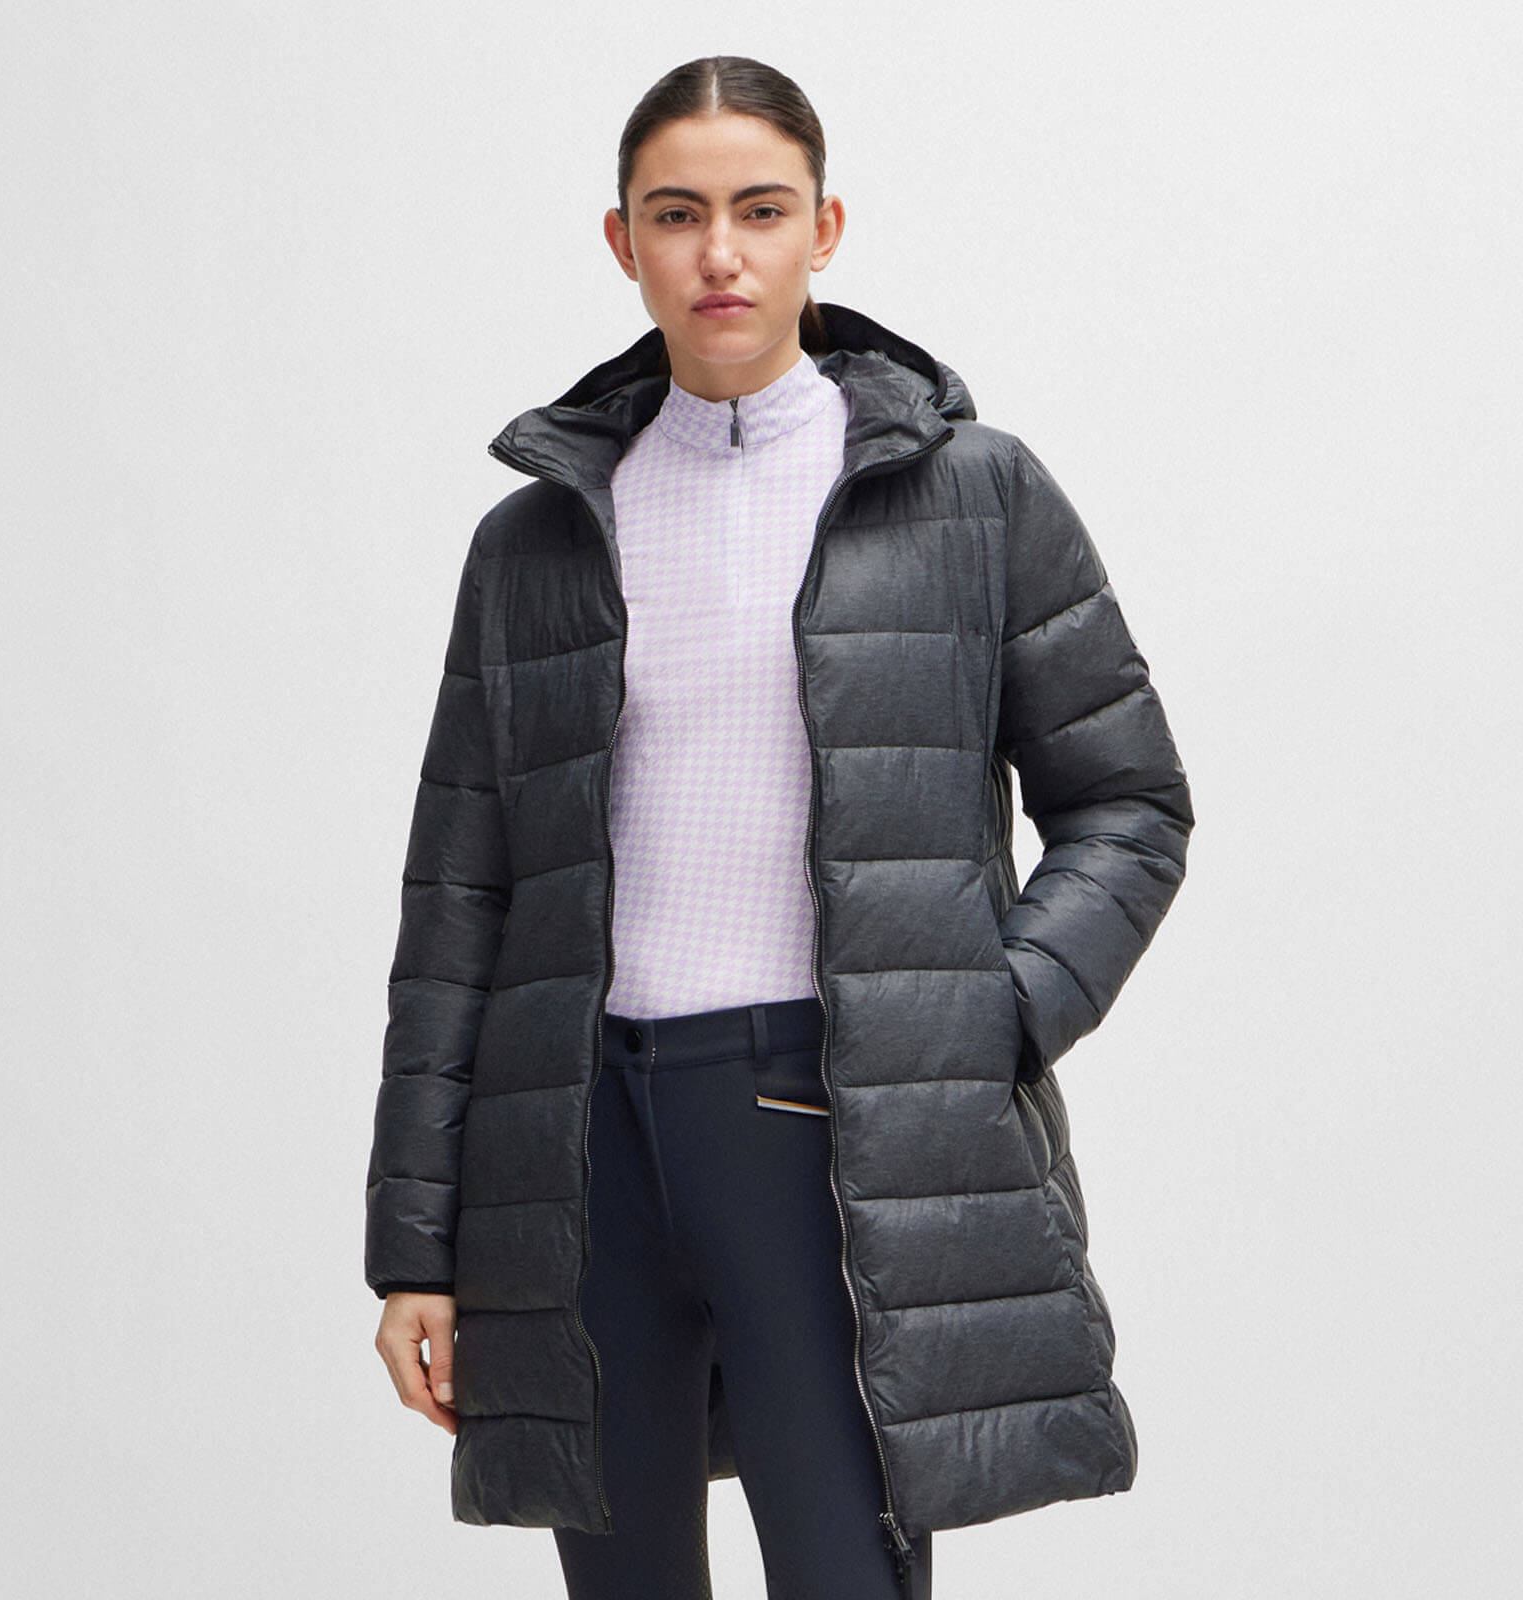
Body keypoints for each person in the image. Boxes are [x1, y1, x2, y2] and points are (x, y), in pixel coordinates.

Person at [366, 55, 1194, 1600]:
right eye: (677, 215)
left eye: (759, 211)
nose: (721, 254)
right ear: (623, 241)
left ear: (826, 228)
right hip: (579, 1149)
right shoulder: (537, 539)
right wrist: (415, 1246)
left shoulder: (975, 498)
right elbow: (459, 901)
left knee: (845, 1572)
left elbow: (1127, 803)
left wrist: (989, 1015)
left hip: (827, 1123)